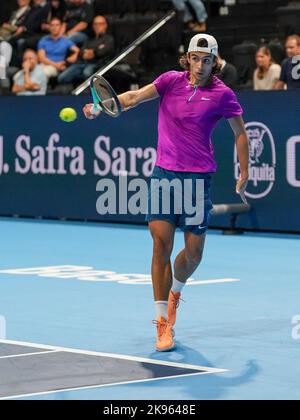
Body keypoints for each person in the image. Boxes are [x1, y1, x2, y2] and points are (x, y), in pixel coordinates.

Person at [82, 34, 249, 352]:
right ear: (188, 58)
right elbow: (130, 99)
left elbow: (240, 133)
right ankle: (162, 322)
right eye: (196, 59)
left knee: (194, 255)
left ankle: (176, 290)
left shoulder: (222, 94)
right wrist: (99, 108)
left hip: (198, 180)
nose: (200, 66)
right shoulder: (170, 81)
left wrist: (245, 169)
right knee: (160, 244)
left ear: (215, 62)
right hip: (164, 176)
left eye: (207, 60)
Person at [58, 15, 114, 84]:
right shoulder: (90, 39)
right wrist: (88, 52)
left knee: (87, 72)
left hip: (98, 64)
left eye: (100, 24)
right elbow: (81, 51)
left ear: (105, 25)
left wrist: (93, 52)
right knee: (62, 77)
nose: (97, 26)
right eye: (95, 24)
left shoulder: (108, 39)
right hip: (82, 63)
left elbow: (101, 52)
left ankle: (89, 92)